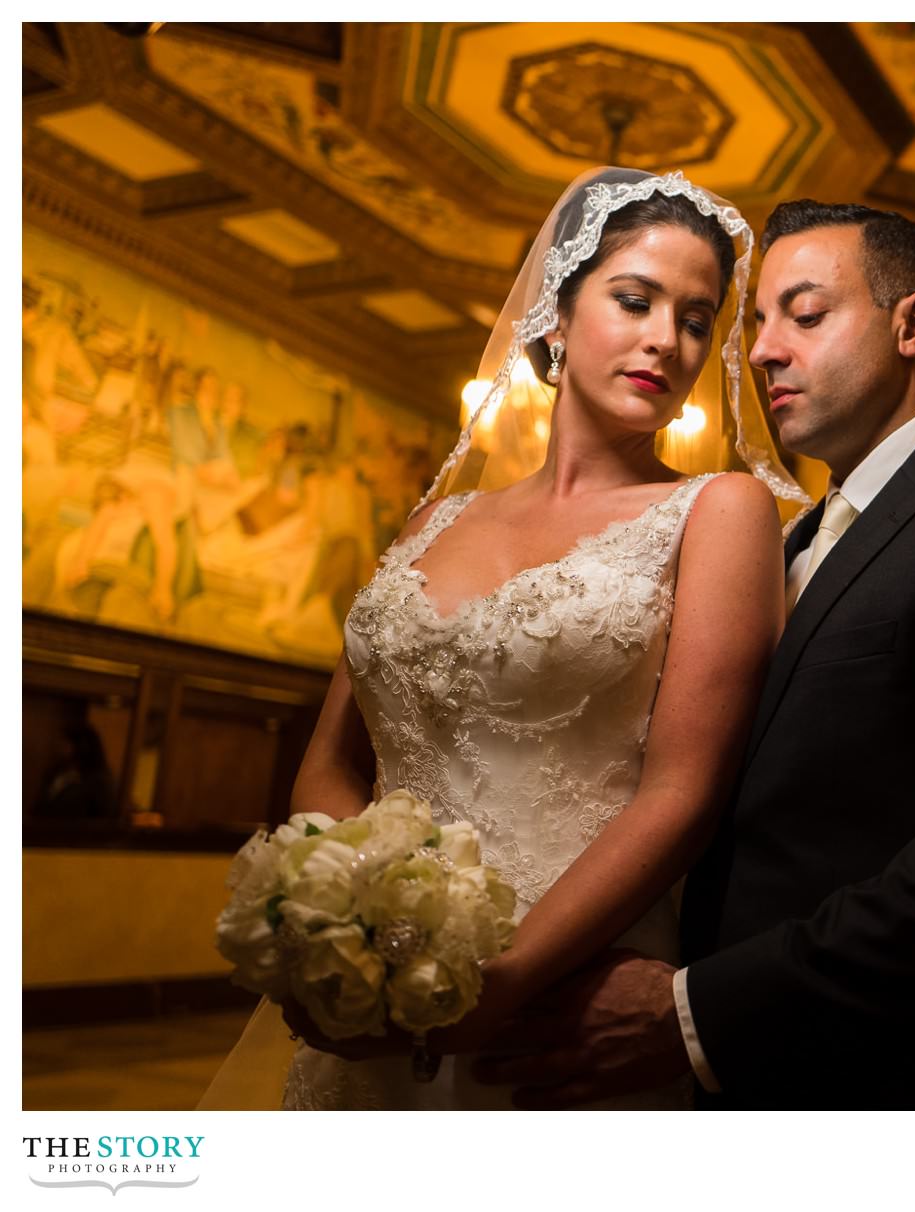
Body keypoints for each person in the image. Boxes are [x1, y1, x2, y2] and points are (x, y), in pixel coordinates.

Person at [473, 201, 915, 1109]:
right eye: (755, 324)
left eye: (806, 314)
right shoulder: (783, 546)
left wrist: (692, 1011)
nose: (760, 352)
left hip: (905, 1091)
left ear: (914, 325)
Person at [200, 167, 809, 1110]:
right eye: (636, 299)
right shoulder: (433, 523)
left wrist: (505, 980)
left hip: (561, 1000)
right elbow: (332, 758)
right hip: (379, 989)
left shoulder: (719, 513)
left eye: (697, 320)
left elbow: (686, 791)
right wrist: (351, 925)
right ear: (556, 315)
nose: (667, 340)